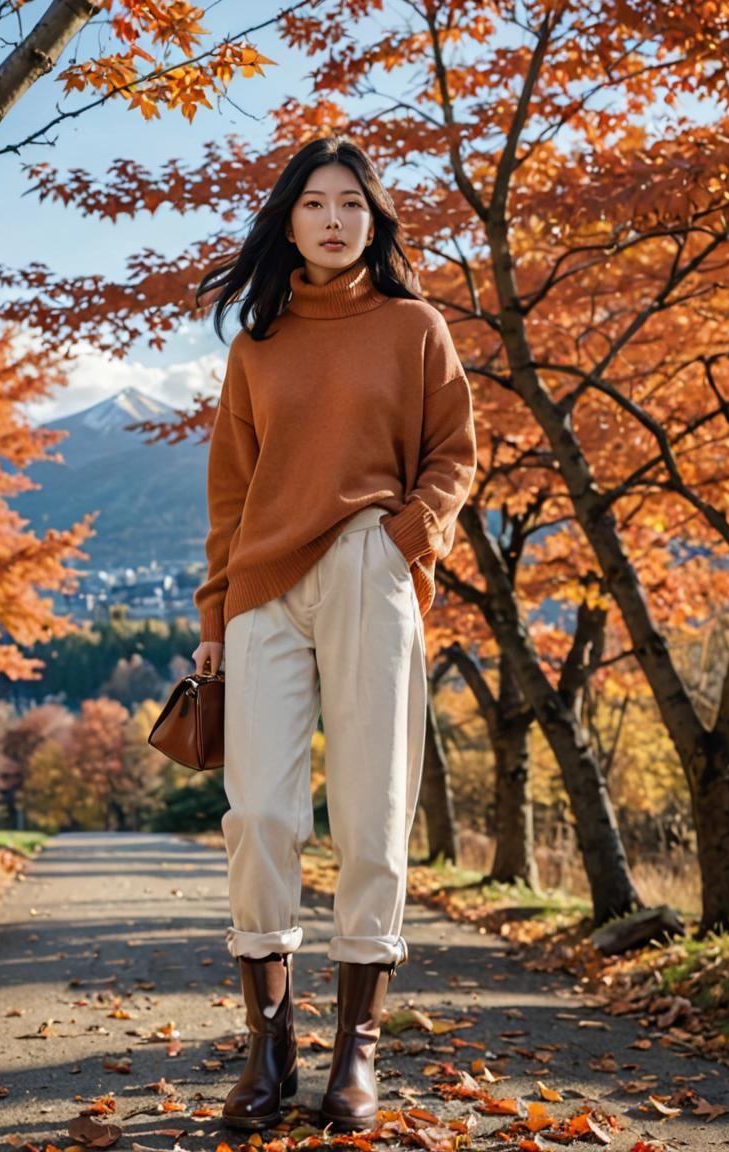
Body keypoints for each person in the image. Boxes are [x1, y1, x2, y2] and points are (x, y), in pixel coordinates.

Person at [190, 134, 477, 1134]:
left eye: (349, 203)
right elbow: (229, 493)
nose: (331, 218)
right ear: (287, 220)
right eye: (312, 202)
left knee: (371, 811)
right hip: (265, 587)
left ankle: (354, 1055)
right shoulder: (255, 345)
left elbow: (453, 451)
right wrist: (214, 612)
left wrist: (406, 538)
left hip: (368, 564)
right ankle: (268, 1047)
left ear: (373, 219)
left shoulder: (412, 326)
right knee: (258, 816)